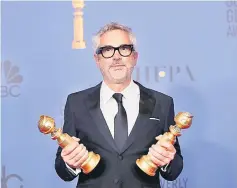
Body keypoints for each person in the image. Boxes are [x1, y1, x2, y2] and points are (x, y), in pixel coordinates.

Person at [55, 22, 183, 188]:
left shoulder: (162, 103)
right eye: (107, 50)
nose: (116, 57)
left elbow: (174, 171)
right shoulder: (76, 103)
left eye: (124, 48)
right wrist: (70, 163)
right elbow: (62, 170)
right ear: (97, 60)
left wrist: (168, 160)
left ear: (134, 57)